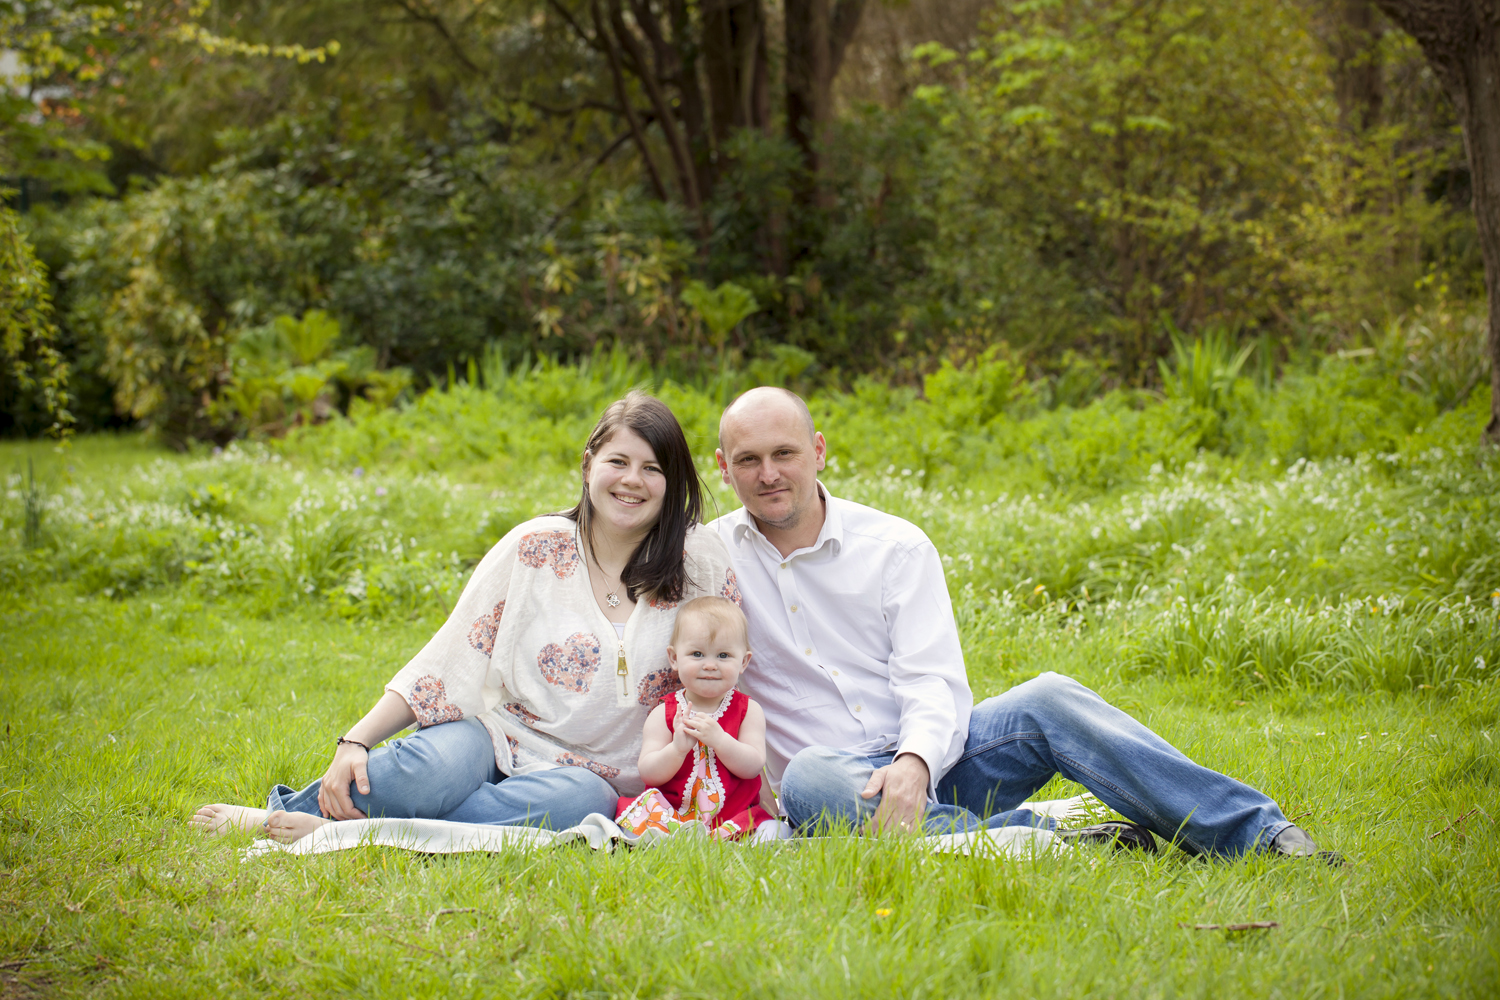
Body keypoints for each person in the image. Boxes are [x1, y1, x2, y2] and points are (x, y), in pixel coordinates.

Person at [710, 386, 1334, 859]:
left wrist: (914, 764)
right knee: (809, 776)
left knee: (1050, 698)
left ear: (818, 451)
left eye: (784, 453)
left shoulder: (895, 546)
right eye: (749, 460)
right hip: (834, 785)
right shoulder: (708, 559)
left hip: (938, 767)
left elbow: (932, 681)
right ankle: (1052, 839)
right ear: (722, 467)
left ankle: (1259, 834)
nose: (769, 474)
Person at [192, 391, 742, 842]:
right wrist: (354, 740)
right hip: (500, 737)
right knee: (429, 770)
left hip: (592, 780)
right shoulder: (532, 549)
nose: (632, 480)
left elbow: (738, 666)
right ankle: (278, 815)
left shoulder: (700, 564)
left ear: (671, 483)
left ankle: (351, 832)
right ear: (588, 465)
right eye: (617, 462)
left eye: (652, 468)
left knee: (582, 802)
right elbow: (449, 656)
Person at [615, 596, 773, 840]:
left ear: (743, 662)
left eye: (723, 656)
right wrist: (677, 750)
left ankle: (735, 841)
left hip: (733, 813)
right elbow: (648, 772)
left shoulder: (748, 711)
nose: (710, 665)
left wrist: (720, 741)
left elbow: (752, 767)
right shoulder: (664, 713)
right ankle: (664, 840)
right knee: (636, 822)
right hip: (673, 815)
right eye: (697, 654)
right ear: (674, 658)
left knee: (770, 831)